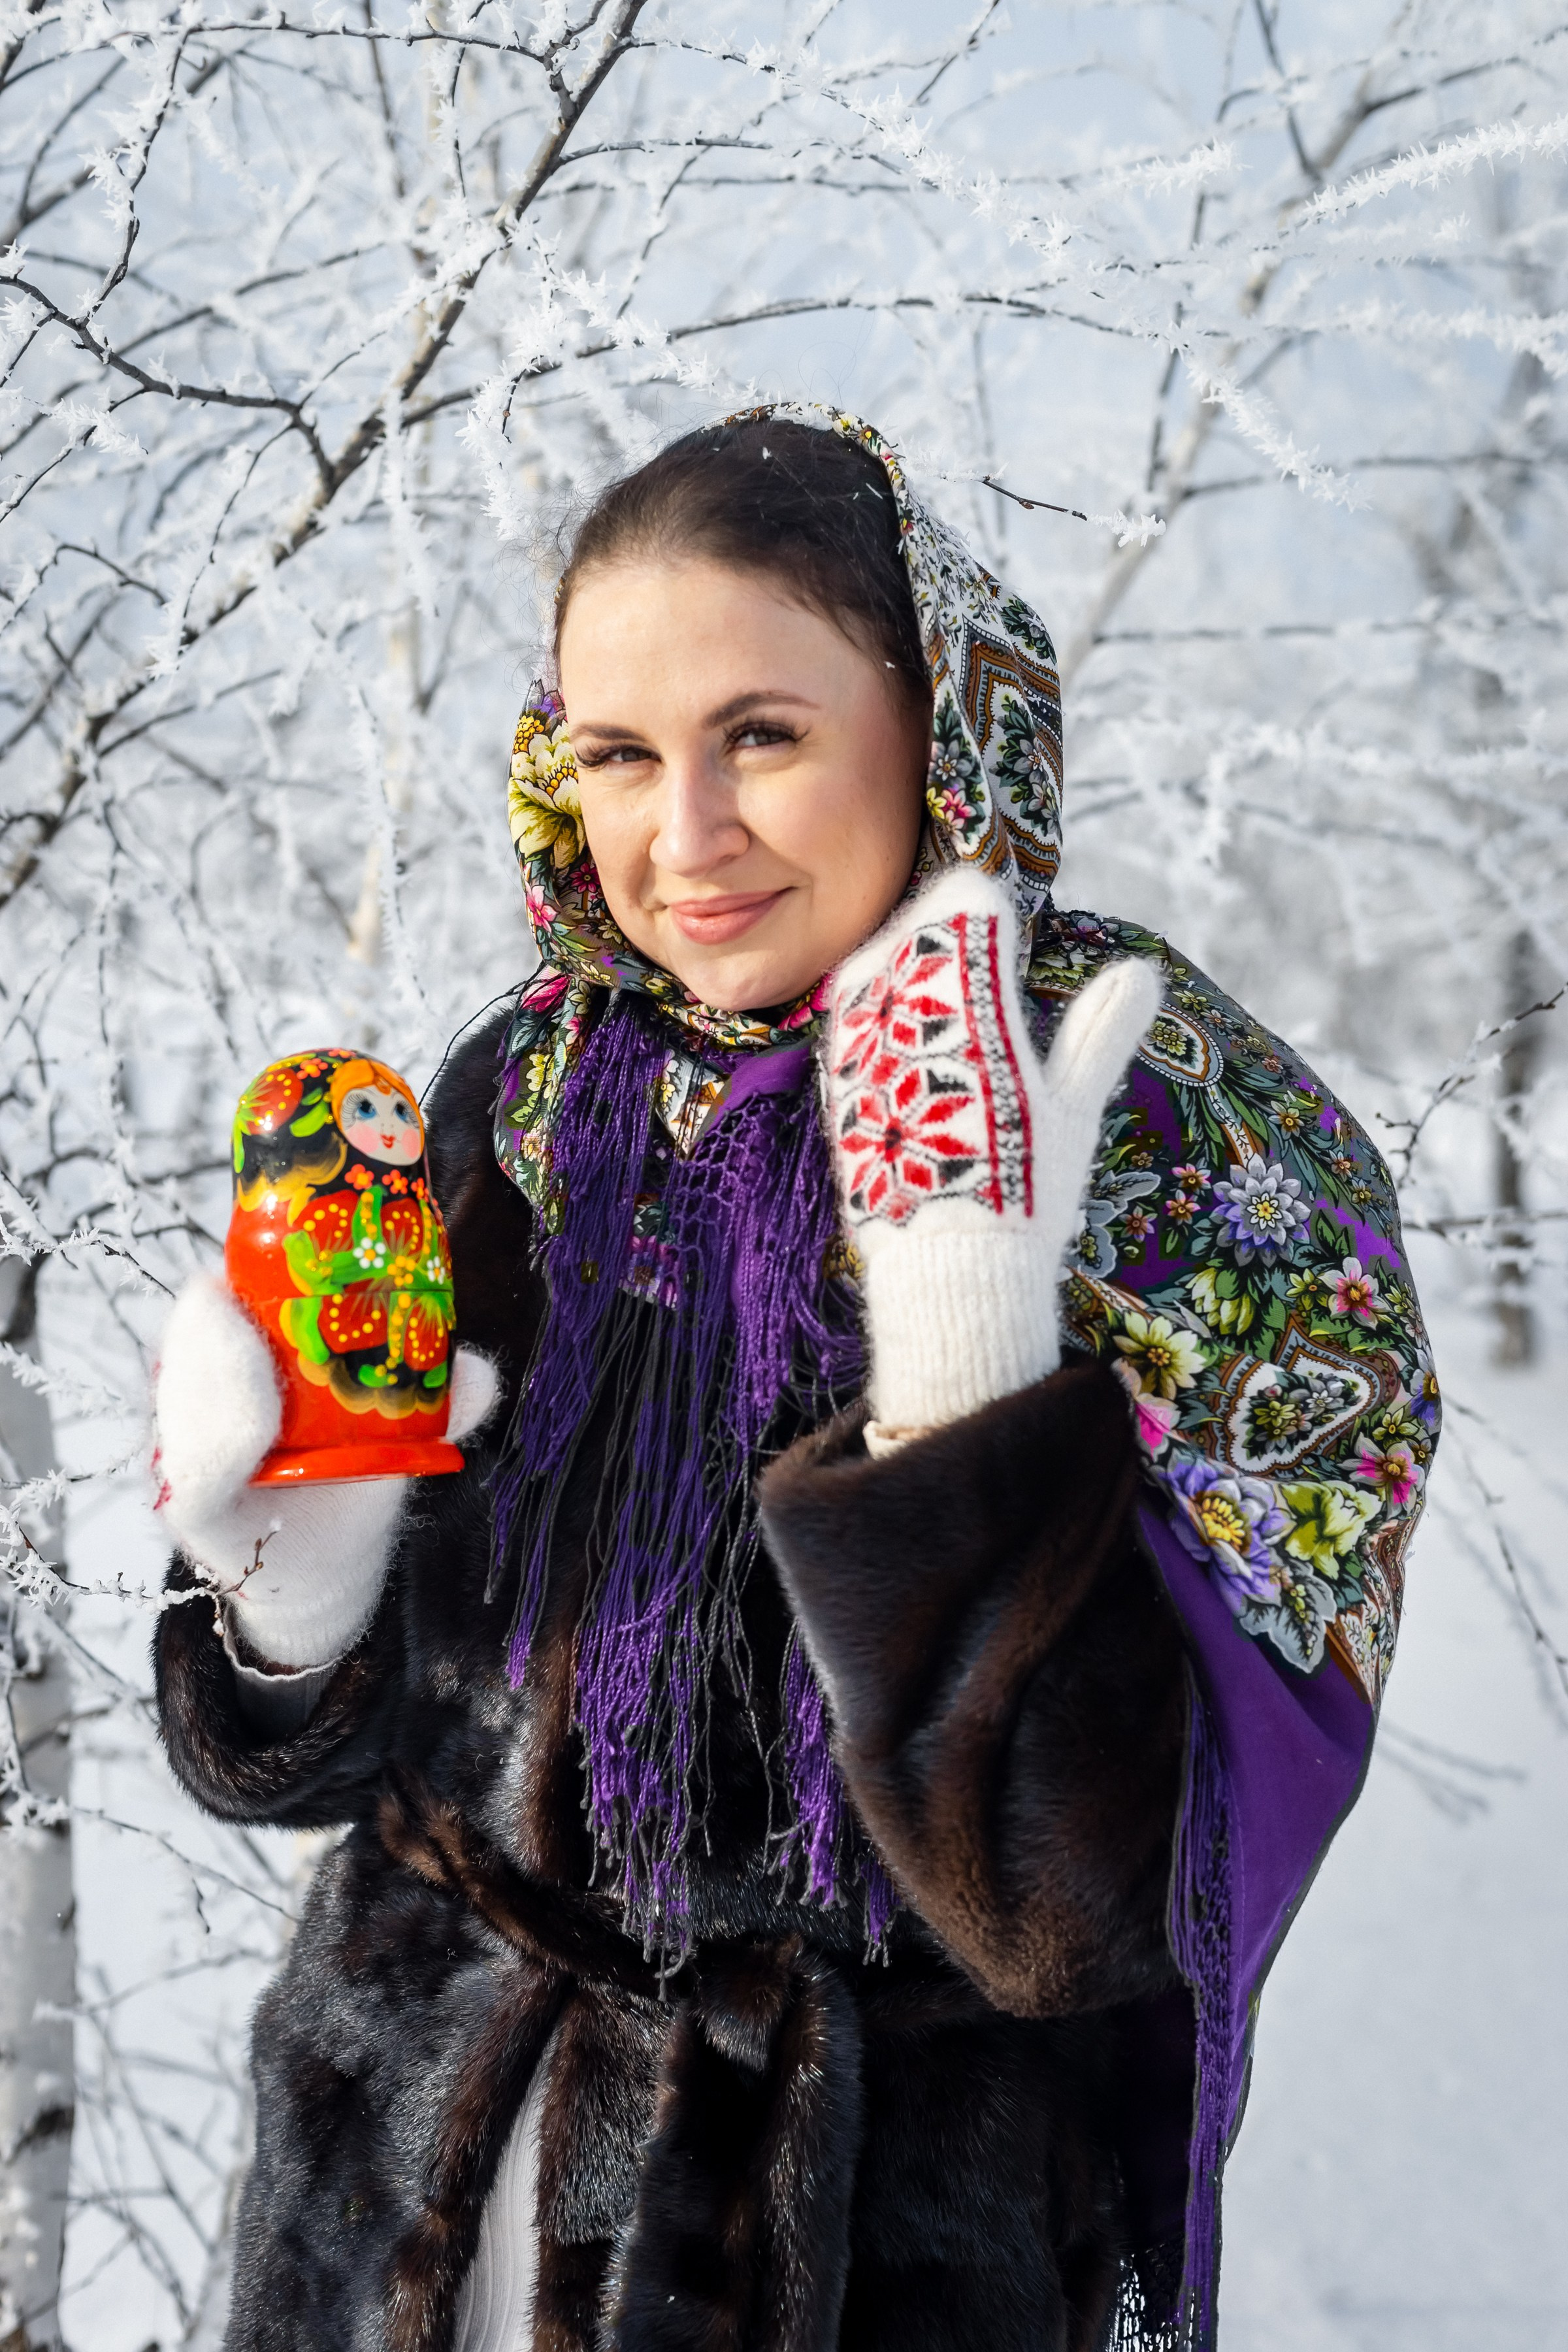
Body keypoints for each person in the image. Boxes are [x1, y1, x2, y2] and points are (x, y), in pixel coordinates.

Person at [150, 410, 1440, 2352]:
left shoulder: (1175, 1135)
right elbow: (340, 1780)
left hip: (859, 2246)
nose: (684, 838)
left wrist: (964, 1370)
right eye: (617, 753)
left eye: (761, 733)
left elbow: (1091, 1912)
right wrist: (296, 1599)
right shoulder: (529, 1093)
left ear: (935, 725)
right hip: (385, 2216)